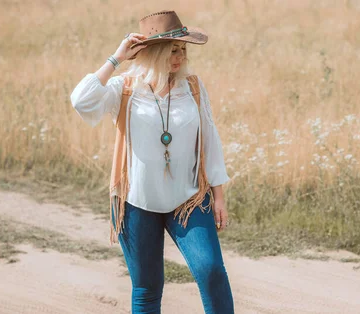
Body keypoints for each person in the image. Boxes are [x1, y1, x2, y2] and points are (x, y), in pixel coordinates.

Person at [70, 10, 234, 314]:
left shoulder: (193, 88)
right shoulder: (125, 88)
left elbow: (210, 141)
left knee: (211, 271)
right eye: (173, 49)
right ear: (154, 51)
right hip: (136, 203)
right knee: (147, 290)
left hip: (188, 199)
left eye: (183, 49)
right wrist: (117, 57)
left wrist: (219, 195)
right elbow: (81, 100)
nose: (180, 57)